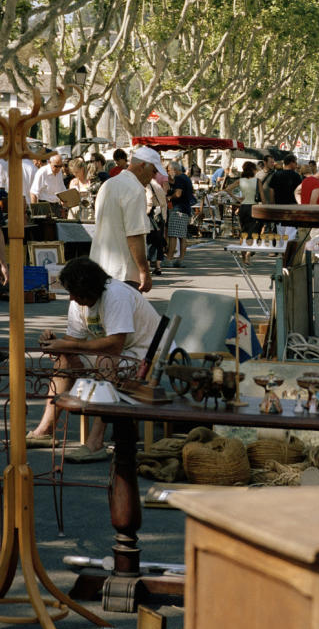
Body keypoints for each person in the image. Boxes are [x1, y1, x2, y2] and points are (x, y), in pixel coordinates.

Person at [28, 257, 161, 460]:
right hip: (120, 350)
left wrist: (69, 345)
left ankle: (95, 443)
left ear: (89, 290)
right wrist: (57, 344)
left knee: (107, 362)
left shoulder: (116, 296)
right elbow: (73, 340)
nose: (71, 298)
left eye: (75, 293)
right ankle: (44, 431)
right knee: (65, 359)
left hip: (146, 352)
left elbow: (115, 344)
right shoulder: (79, 300)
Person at [91, 146, 166, 292]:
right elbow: (134, 235)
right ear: (143, 166)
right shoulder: (135, 189)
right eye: (153, 172)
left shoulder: (109, 184)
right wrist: (144, 271)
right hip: (124, 273)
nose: (153, 177)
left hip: (101, 267)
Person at [165, 160, 195, 267]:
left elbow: (178, 194)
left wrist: (169, 197)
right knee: (182, 236)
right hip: (185, 209)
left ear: (174, 170)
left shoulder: (179, 178)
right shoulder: (186, 178)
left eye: (168, 170)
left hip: (178, 209)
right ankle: (180, 259)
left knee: (173, 235)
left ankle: (169, 259)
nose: (168, 172)